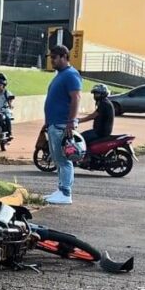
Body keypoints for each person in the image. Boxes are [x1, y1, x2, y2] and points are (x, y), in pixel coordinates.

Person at [42, 44, 83, 205]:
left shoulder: (71, 75)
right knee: (58, 159)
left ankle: (66, 193)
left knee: (64, 160)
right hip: (55, 124)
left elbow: (76, 98)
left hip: (62, 125)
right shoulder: (61, 75)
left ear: (64, 57)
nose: (52, 61)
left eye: (54, 58)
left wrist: (71, 122)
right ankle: (61, 189)